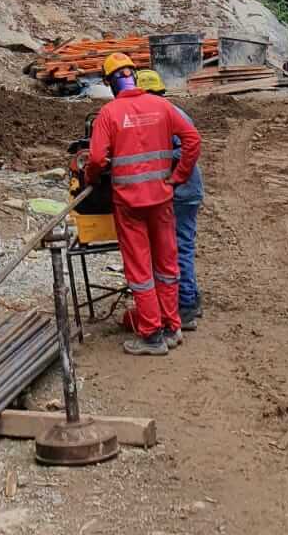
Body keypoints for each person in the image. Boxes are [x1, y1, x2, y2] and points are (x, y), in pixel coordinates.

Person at [86, 52, 200, 357]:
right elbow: (192, 139)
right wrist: (177, 177)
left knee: (140, 269)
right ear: (135, 76)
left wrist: (91, 177)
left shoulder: (108, 114)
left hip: (129, 203)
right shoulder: (161, 105)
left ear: (111, 83)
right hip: (162, 199)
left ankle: (151, 334)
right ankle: (172, 326)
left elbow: (96, 159)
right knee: (166, 265)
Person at [138, 70, 204, 330]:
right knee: (182, 245)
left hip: (181, 192)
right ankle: (191, 298)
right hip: (185, 190)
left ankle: (185, 305)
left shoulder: (161, 114)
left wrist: (174, 178)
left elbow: (186, 147)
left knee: (178, 247)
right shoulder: (170, 110)